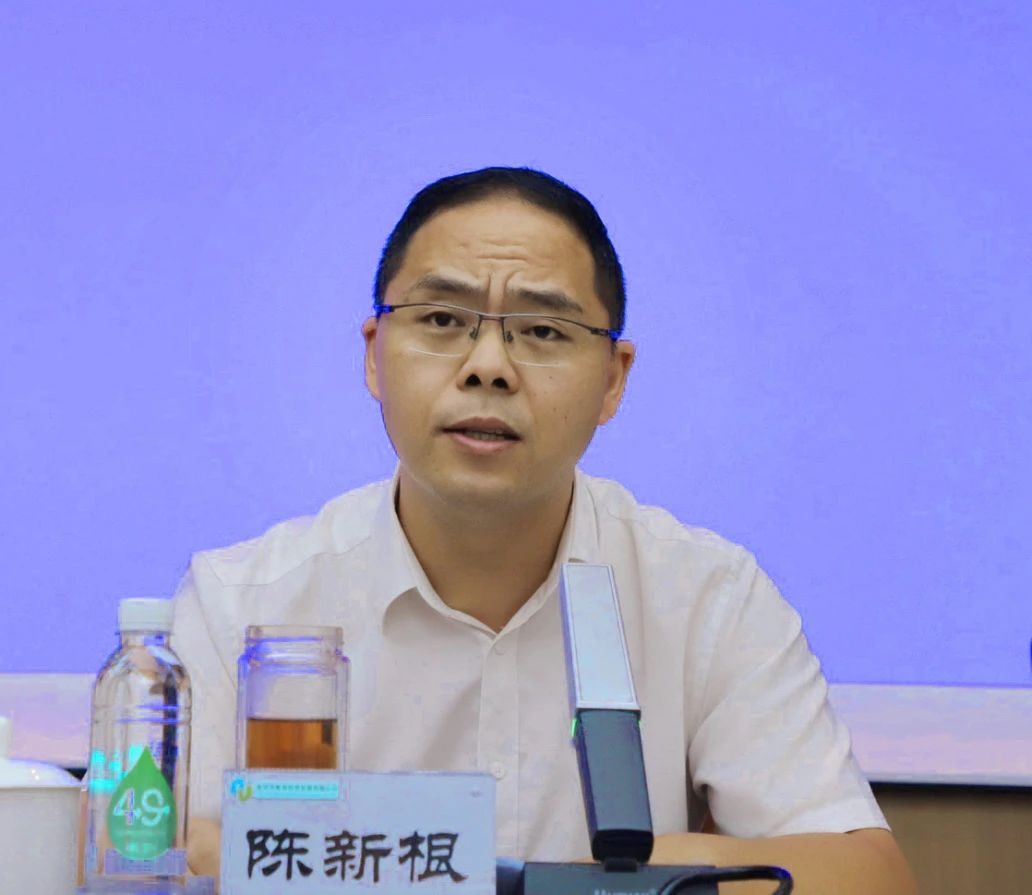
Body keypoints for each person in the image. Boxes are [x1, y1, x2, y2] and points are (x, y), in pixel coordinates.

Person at [172, 166, 917, 893]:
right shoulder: (241, 603)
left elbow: (869, 878)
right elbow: (171, 854)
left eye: (543, 330)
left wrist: (660, 873)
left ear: (613, 379)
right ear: (374, 354)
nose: (488, 367)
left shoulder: (705, 596)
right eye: (443, 320)